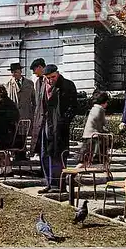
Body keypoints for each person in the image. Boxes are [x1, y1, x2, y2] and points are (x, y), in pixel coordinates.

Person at [31, 64, 78, 194]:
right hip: (44, 124)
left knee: (58, 155)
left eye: (53, 77)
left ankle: (60, 185)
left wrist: (64, 121)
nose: (51, 80)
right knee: (44, 154)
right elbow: (39, 105)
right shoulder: (41, 85)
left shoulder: (67, 85)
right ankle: (50, 183)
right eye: (48, 78)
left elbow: (73, 106)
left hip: (59, 126)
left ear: (57, 73)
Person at [6, 62, 36, 160]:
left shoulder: (29, 83)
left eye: (16, 72)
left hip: (26, 112)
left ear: (20, 71)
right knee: (15, 134)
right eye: (12, 72)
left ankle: (23, 154)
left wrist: (34, 112)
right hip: (14, 114)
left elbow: (34, 99)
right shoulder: (8, 85)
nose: (14, 74)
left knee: (24, 133)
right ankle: (15, 154)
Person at [0, 84, 20, 177]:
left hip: (3, 134)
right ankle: (8, 169)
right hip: (12, 133)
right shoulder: (11, 102)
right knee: (5, 150)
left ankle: (1, 169)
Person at [77, 91, 109, 167]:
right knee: (101, 158)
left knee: (85, 159)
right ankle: (72, 174)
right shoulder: (101, 109)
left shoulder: (93, 108)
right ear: (104, 102)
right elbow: (103, 124)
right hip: (94, 138)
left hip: (87, 136)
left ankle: (73, 174)